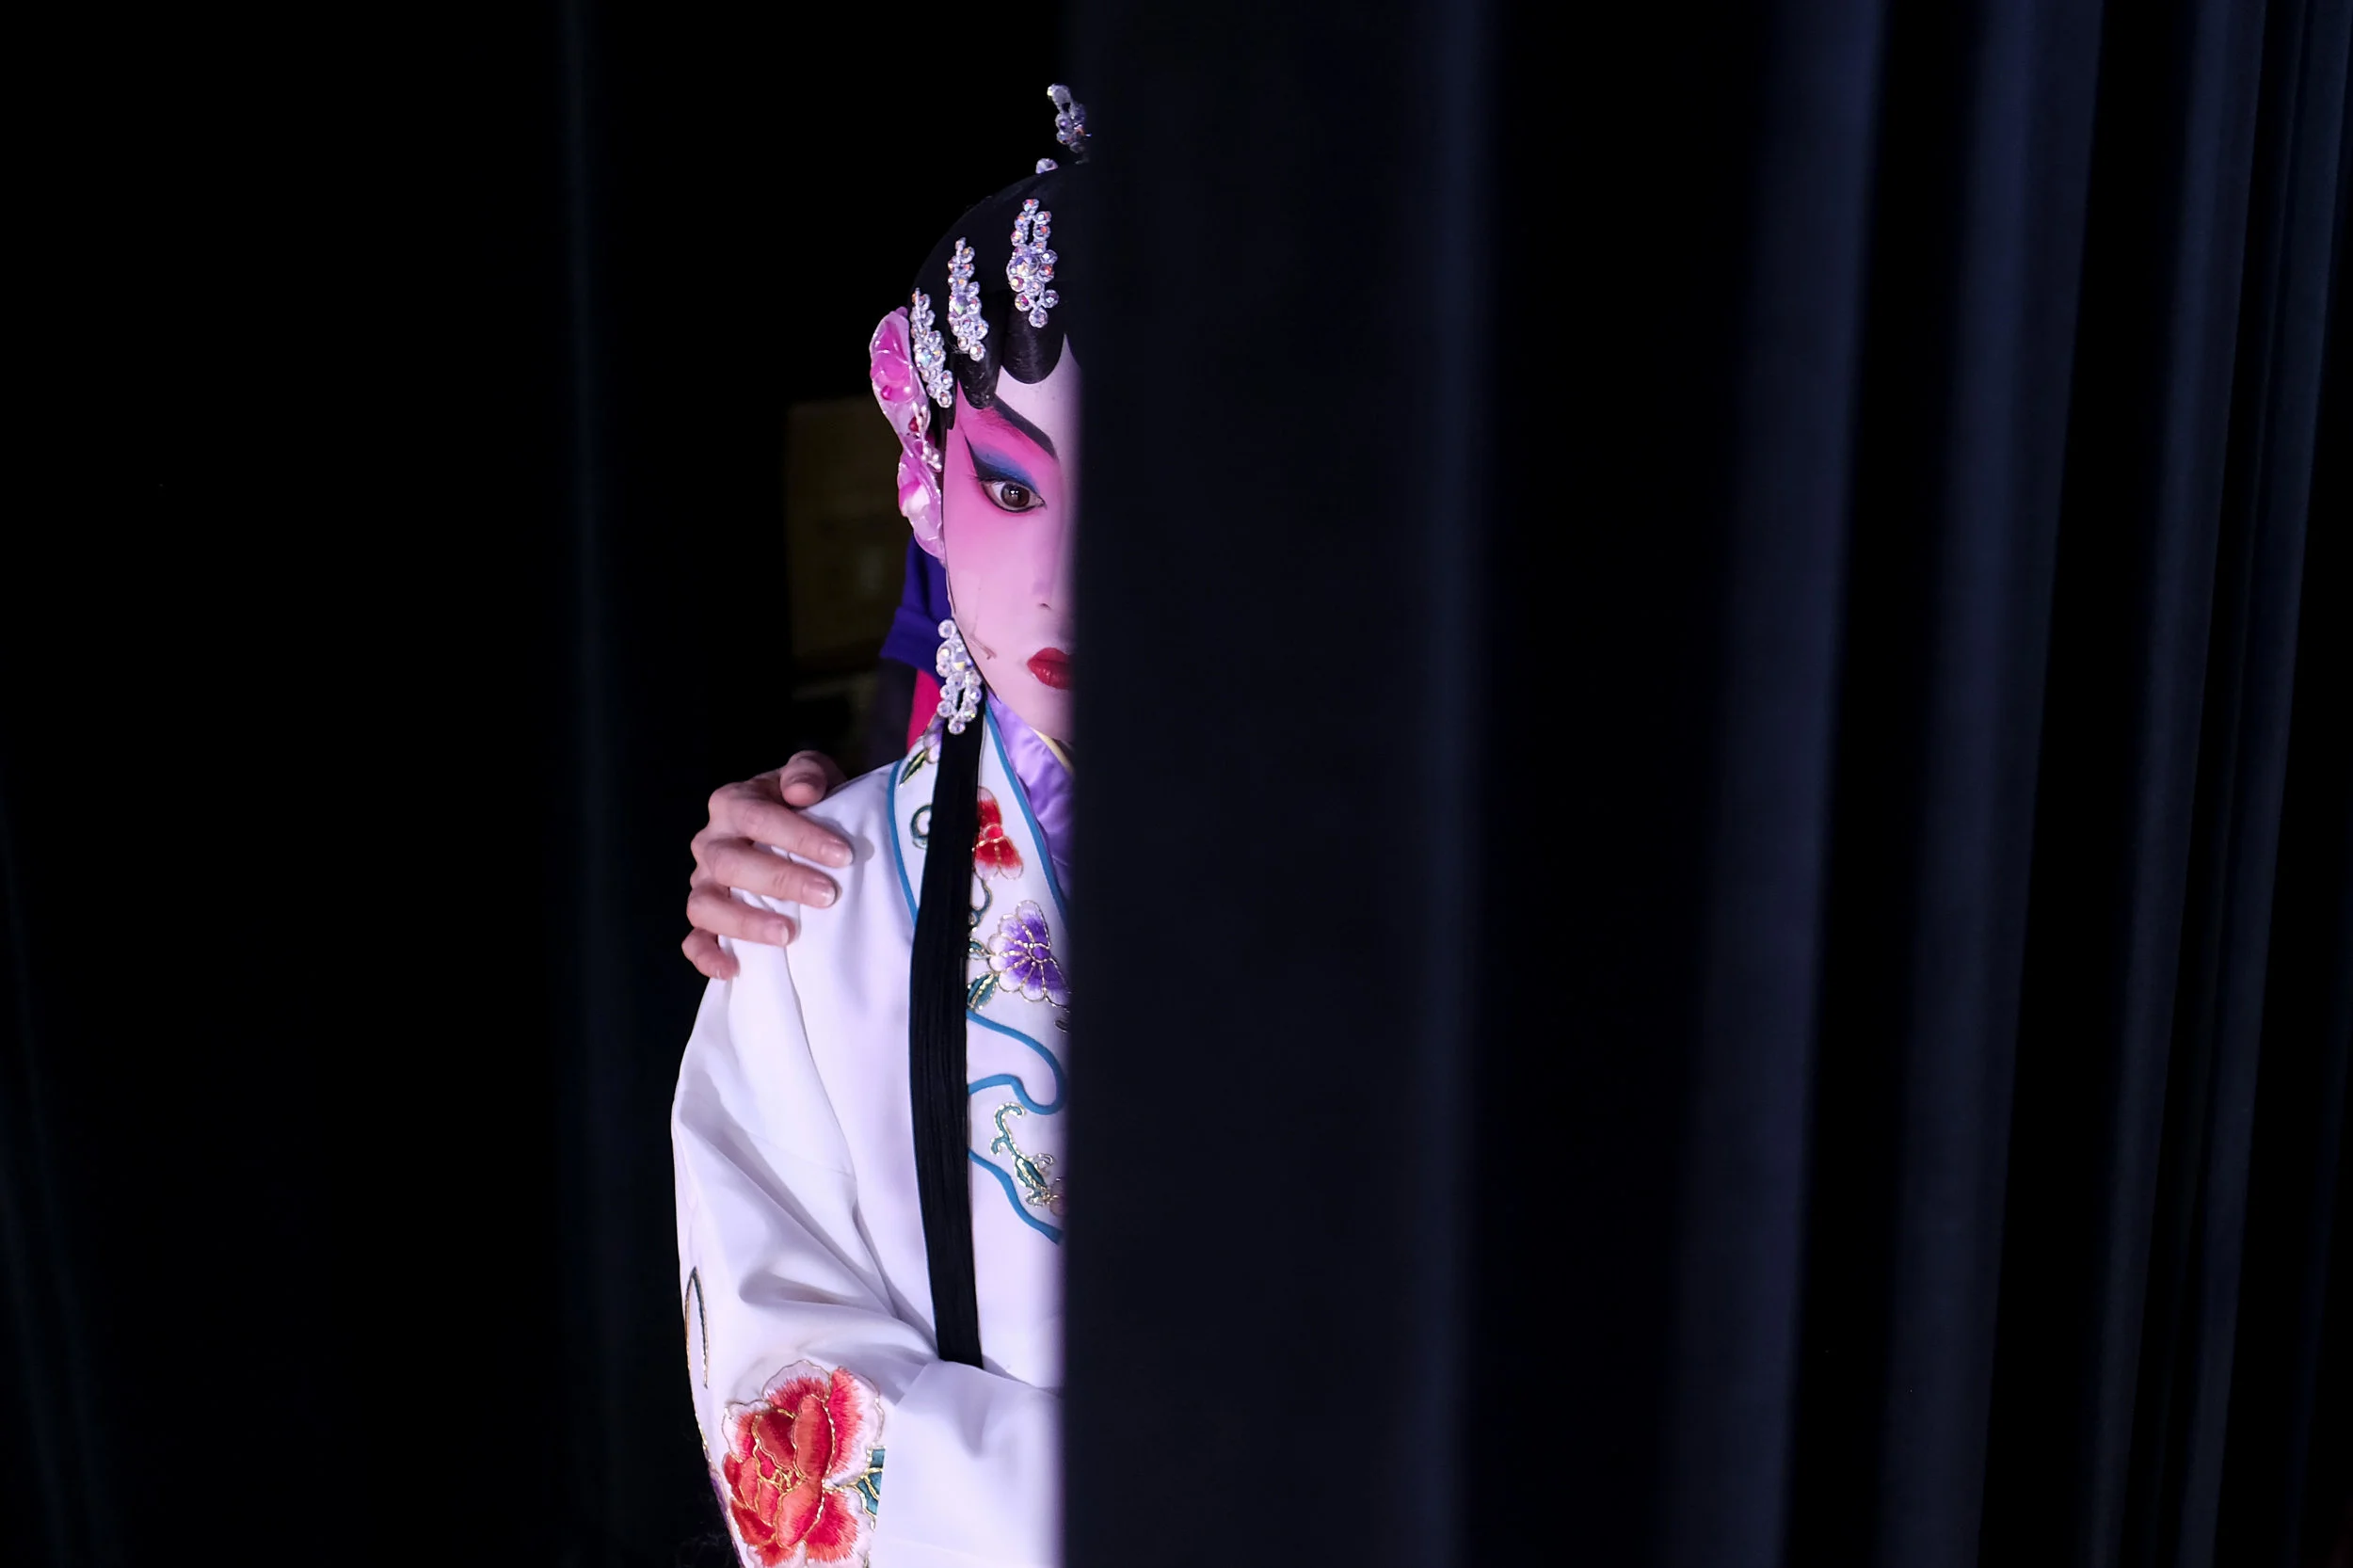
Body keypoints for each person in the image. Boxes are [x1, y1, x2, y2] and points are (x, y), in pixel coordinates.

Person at [673, 87, 1085, 1568]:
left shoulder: (1410, 889)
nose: (1067, 572)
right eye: (1010, 483)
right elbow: (784, 1408)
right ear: (924, 482)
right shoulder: (816, 919)